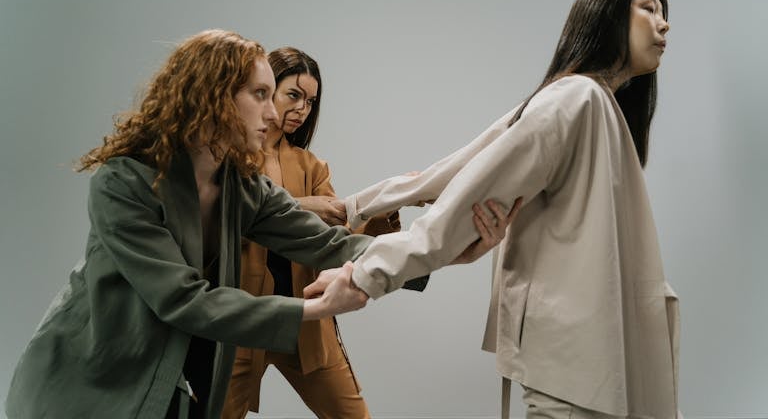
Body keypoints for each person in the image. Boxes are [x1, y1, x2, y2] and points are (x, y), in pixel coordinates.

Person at [4, 30, 511, 419]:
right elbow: (184, 300)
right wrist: (316, 307)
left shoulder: (243, 187)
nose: (276, 113)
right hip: (85, 387)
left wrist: (442, 252)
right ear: (212, 96)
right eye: (261, 94)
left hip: (175, 387)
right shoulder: (123, 183)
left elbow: (329, 244)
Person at [308, 0, 680, 418]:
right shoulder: (575, 99)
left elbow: (459, 169)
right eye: (649, 8)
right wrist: (365, 273)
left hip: (593, 354)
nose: (664, 25)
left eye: (664, 13)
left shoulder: (588, 102)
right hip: (577, 363)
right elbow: (467, 192)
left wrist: (359, 208)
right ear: (607, 15)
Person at [222, 47, 421, 418]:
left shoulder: (311, 165)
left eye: (311, 101)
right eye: (293, 95)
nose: (302, 109)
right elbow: (225, 224)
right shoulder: (228, 159)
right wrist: (304, 205)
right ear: (265, 90)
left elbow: (335, 239)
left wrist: (387, 204)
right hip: (242, 322)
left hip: (306, 322)